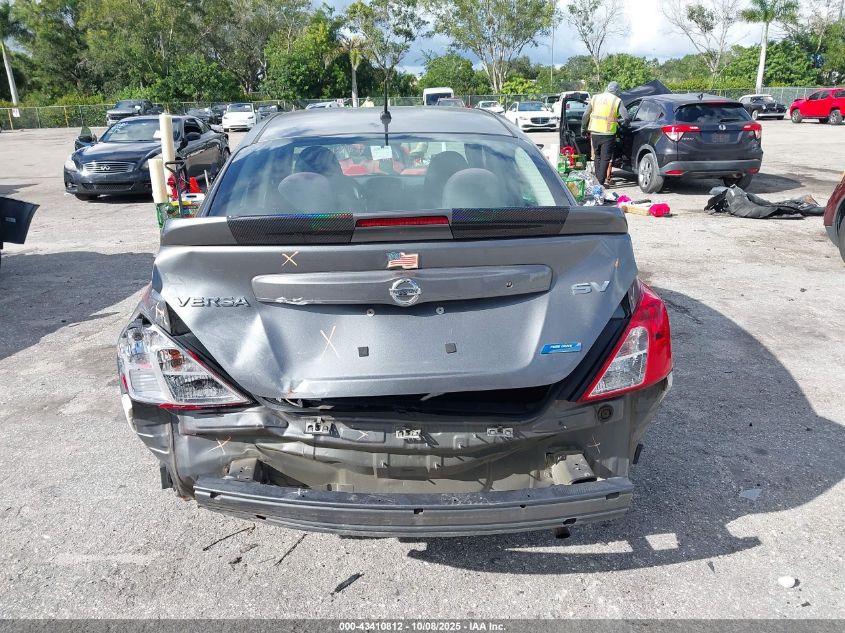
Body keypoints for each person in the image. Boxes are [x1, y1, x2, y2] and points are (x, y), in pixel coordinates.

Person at [581, 81, 628, 187]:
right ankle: (600, 182)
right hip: (608, 133)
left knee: (597, 157)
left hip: (595, 132)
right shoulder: (617, 100)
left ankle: (597, 182)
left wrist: (583, 128)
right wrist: (622, 125)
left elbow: (585, 115)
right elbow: (626, 118)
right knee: (605, 159)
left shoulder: (595, 98)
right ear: (617, 90)